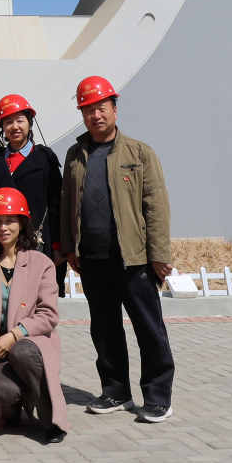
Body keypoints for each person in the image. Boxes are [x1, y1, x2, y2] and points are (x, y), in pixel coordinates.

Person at [59, 75, 175, 423]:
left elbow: (156, 205)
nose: (95, 115)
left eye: (101, 108)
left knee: (148, 330)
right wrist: (70, 247)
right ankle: (116, 391)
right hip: (92, 259)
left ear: (114, 108)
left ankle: (158, 397)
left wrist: (159, 253)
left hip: (132, 258)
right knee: (105, 329)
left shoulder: (139, 153)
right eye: (88, 110)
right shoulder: (75, 155)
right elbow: (67, 204)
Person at [0, 188, 68, 444]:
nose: (3, 227)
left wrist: (14, 335)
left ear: (22, 224)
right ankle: (17, 402)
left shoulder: (41, 263)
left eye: (10, 220)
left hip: (32, 346)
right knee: (2, 391)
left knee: (22, 351)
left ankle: (51, 420)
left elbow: (48, 314)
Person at [0, 95, 63, 272]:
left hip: (37, 241)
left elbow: (56, 205)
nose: (14, 127)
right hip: (2, 241)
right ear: (2, 127)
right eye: (8, 122)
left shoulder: (45, 158)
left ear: (29, 123)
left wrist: (57, 245)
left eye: (20, 120)